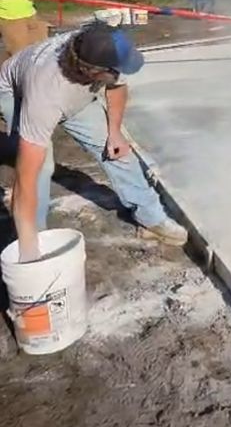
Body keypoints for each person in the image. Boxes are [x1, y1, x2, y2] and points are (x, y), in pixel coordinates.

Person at [0, 21, 187, 261]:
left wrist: (115, 132)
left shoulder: (97, 47)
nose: (120, 74)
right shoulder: (44, 97)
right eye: (115, 71)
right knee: (40, 169)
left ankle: (152, 219)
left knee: (118, 151)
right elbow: (27, 178)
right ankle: (36, 242)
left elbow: (117, 86)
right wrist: (28, 251)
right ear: (94, 72)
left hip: (75, 93)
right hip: (16, 93)